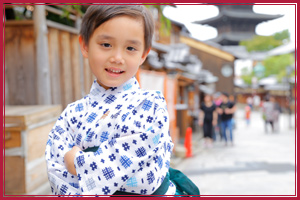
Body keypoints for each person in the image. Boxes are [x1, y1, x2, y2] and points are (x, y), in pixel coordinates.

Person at [45, 5, 188, 196]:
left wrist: (78, 162)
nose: (117, 58)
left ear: (143, 54)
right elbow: (57, 172)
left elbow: (147, 179)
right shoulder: (72, 114)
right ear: (85, 45)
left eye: (130, 48)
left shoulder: (151, 104)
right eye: (106, 45)